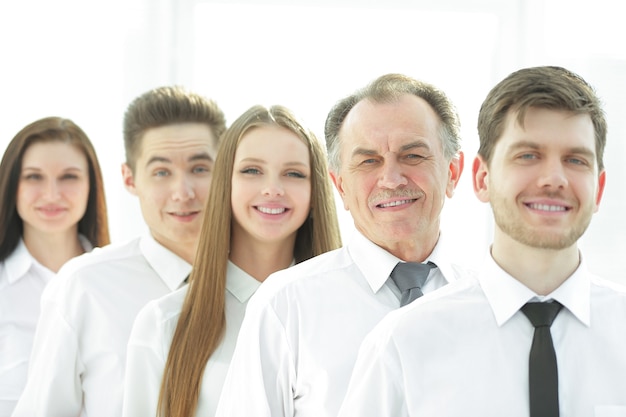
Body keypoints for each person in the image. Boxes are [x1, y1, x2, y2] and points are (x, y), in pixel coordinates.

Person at [337, 66, 626, 417]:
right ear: (481, 178)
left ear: (599, 189)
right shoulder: (403, 344)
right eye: (528, 155)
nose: (554, 178)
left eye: (575, 159)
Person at [214, 73, 465, 417]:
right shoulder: (284, 306)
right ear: (340, 185)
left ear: (453, 171)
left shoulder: (495, 304)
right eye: (368, 161)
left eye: (413, 156)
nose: (391, 179)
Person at [12, 86, 226, 417]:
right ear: (129, 179)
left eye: (199, 169)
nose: (182, 192)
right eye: (161, 172)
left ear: (225, 171)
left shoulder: (263, 285)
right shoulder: (83, 286)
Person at [121, 104, 342, 417]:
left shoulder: (346, 312)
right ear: (224, 182)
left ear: (315, 190)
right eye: (252, 170)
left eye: (294, 173)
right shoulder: (164, 324)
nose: (272, 189)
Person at [0, 117, 109, 417]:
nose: (51, 194)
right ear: (11, 185)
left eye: (69, 177)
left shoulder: (118, 281)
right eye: (34, 177)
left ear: (91, 185)